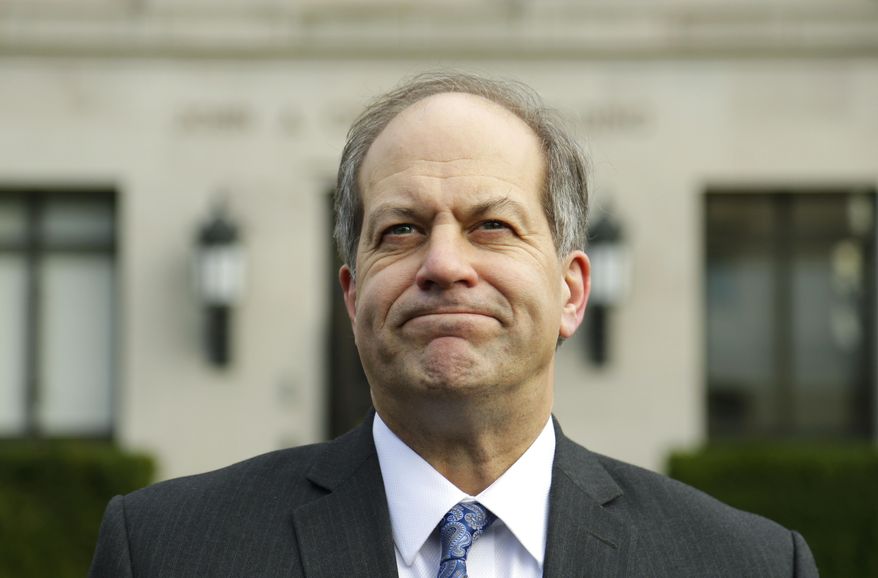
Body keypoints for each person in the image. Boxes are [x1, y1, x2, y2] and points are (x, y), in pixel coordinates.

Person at [89, 72, 819, 577]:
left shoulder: (745, 565)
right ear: (353, 297)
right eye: (401, 230)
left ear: (572, 292)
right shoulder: (164, 553)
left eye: (492, 226)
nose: (443, 264)